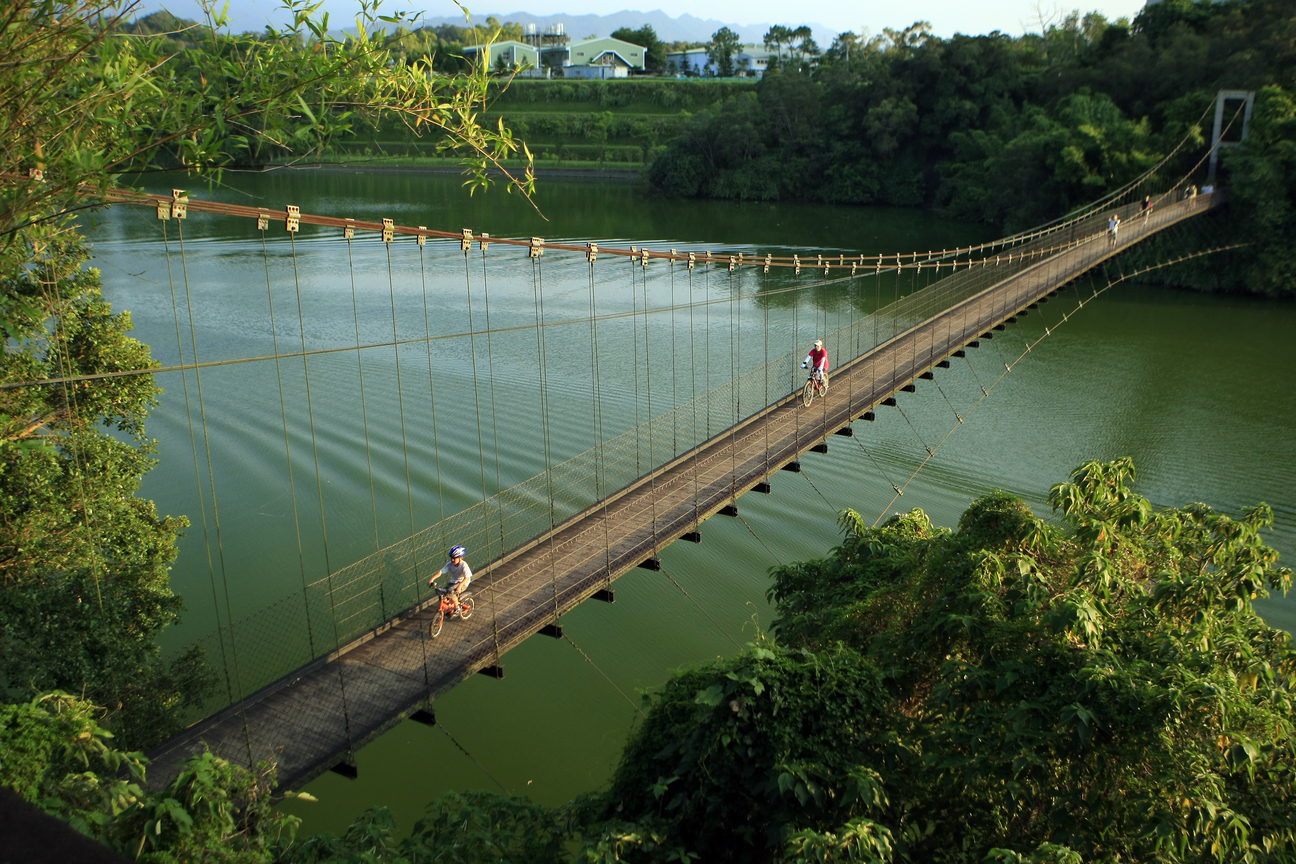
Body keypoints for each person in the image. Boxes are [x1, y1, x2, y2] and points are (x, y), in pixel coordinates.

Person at [431, 545, 472, 617]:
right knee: (442, 592)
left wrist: (460, 586)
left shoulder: (464, 565)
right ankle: (451, 607)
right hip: (453, 582)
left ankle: (457, 608)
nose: (452, 560)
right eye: (451, 558)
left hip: (463, 583)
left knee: (451, 591)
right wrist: (432, 579)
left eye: (454, 558)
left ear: (460, 558)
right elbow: (441, 572)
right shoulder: (450, 565)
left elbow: (467, 578)